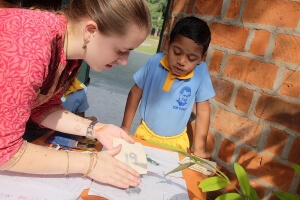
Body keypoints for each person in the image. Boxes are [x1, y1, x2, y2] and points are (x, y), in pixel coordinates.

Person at [0, 0, 151, 189]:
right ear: (90, 31)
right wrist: (89, 164)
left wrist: (97, 129)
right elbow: (5, 150)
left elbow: (43, 108)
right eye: (121, 50)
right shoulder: (31, 47)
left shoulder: (72, 54)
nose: (124, 62)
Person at [121, 16, 215, 159]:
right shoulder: (154, 62)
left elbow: (203, 109)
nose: (181, 61)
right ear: (167, 44)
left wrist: (200, 148)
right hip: (145, 134)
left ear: (202, 58)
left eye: (191, 58)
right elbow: (135, 92)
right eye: (176, 52)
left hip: (177, 142)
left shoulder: (200, 72)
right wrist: (125, 128)